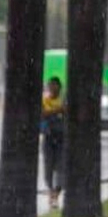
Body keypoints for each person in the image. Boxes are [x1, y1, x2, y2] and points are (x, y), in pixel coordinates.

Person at [42, 77, 67, 209]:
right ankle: (51, 193)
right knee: (48, 168)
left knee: (61, 168)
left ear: (59, 86)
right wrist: (57, 111)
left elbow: (66, 112)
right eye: (49, 85)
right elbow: (43, 113)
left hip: (62, 138)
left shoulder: (63, 99)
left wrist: (53, 112)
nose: (51, 88)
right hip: (48, 137)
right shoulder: (45, 99)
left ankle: (56, 193)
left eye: (54, 85)